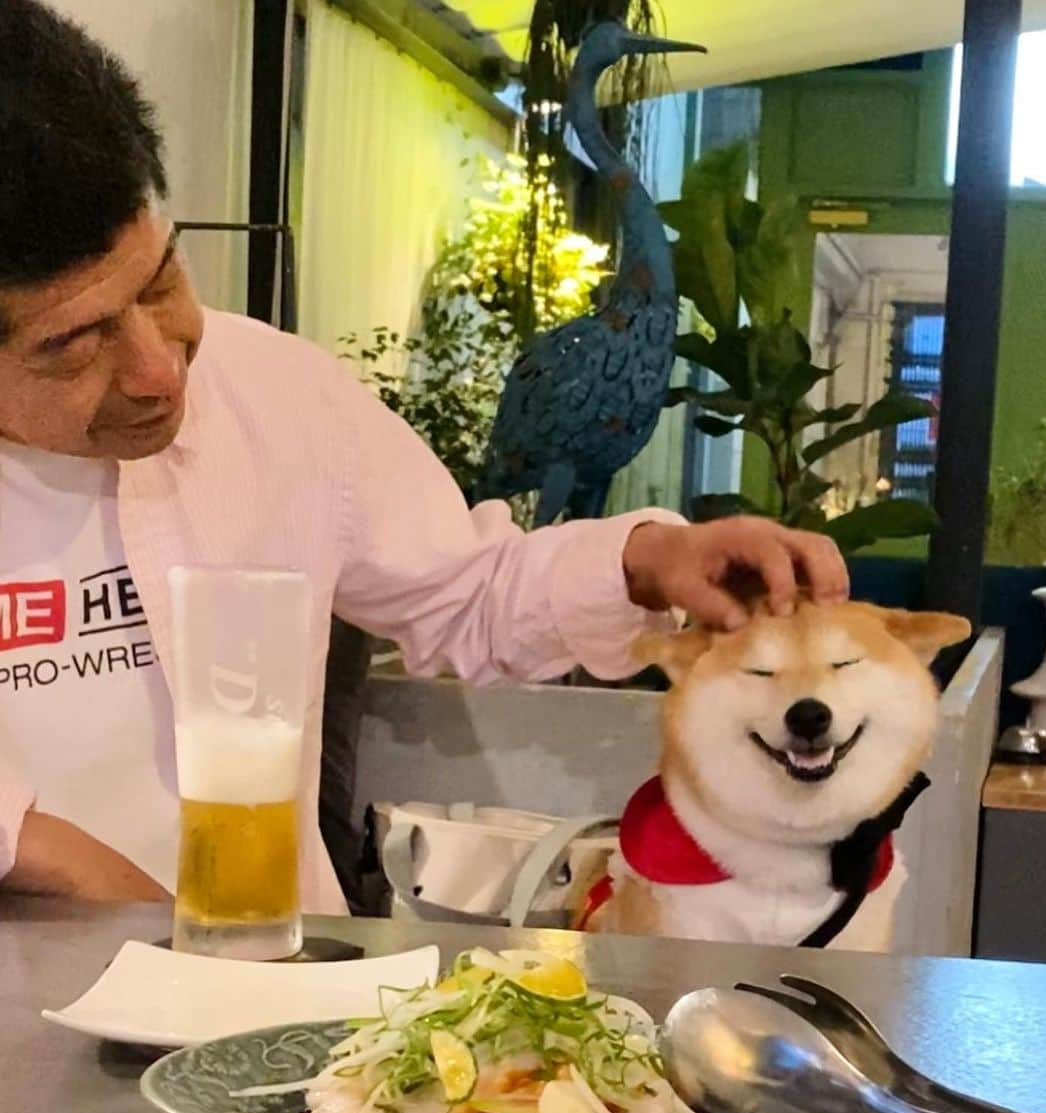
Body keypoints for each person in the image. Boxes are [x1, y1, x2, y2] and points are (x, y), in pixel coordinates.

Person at [0, 0, 848, 912]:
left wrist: (649, 562)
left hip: (270, 1006)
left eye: (163, 279)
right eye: (75, 344)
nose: (159, 369)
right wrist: (36, 848)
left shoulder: (279, 397)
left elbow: (466, 592)